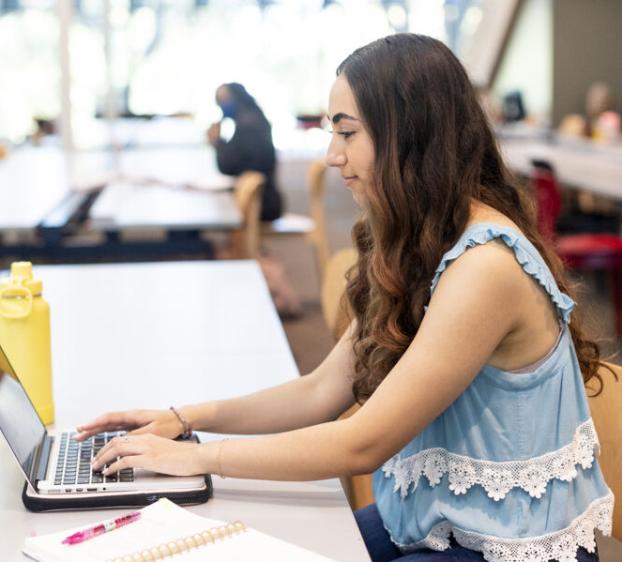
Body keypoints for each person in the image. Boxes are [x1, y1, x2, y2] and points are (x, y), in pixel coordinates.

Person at [76, 34, 613, 562]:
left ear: (411, 135)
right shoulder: (422, 238)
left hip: (510, 546)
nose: (333, 155)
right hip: (442, 515)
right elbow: (320, 392)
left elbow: (363, 443)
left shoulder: (485, 265)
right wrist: (184, 419)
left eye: (348, 133)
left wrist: (196, 460)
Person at [207, 82, 282, 222]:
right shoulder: (254, 119)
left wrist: (217, 142)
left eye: (223, 100)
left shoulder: (249, 125)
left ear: (237, 97)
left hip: (262, 204)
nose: (220, 105)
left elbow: (228, 166)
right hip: (262, 200)